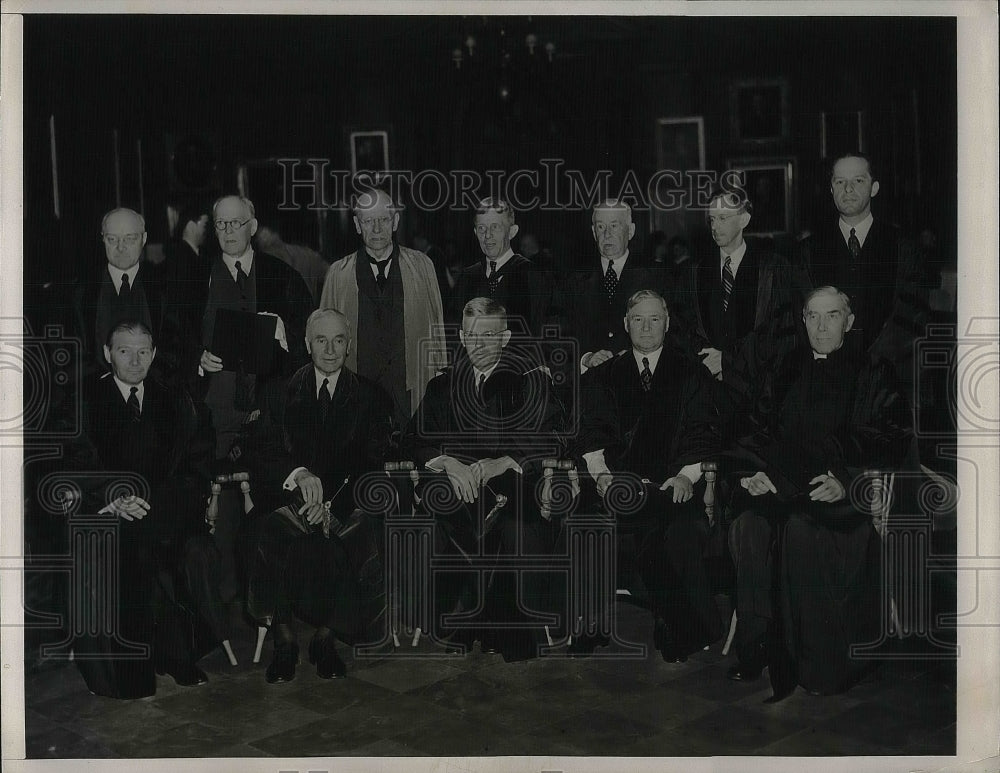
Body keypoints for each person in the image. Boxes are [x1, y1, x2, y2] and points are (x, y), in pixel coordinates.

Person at [726, 286, 913, 696]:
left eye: (832, 316)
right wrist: (749, 474)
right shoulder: (786, 366)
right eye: (813, 316)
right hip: (780, 486)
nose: (822, 325)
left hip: (838, 501)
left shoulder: (872, 370)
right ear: (804, 321)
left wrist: (844, 479)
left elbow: (889, 439)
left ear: (849, 322)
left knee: (799, 528)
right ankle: (757, 646)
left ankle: (809, 660)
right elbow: (754, 430)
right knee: (747, 527)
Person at [67, 321, 227, 698]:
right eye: (124, 350)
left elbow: (198, 466)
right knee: (134, 552)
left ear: (154, 354)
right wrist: (113, 496)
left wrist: (153, 504)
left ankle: (174, 654)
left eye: (143, 351)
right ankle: (148, 664)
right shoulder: (84, 400)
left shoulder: (177, 399)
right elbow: (71, 463)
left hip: (169, 512)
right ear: (108, 354)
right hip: (108, 515)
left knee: (175, 550)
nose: (135, 360)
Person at [402, 297, 567, 661]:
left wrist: (504, 461)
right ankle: (473, 617)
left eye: (489, 336)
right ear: (461, 336)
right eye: (472, 336)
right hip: (457, 491)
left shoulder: (529, 381)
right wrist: (446, 462)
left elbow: (555, 437)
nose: (479, 345)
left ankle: (477, 620)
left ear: (505, 338)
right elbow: (413, 439)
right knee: (444, 501)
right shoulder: (443, 386)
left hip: (513, 491)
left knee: (506, 522)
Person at [241, 309, 393, 683]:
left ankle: (326, 639)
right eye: (321, 341)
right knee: (259, 531)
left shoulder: (372, 397)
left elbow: (372, 464)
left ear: (349, 345)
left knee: (365, 530)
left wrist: (331, 507)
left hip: (341, 502)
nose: (329, 349)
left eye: (338, 340)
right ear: (307, 345)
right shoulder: (278, 391)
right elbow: (259, 453)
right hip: (286, 499)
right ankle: (284, 640)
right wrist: (298, 476)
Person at [577, 290, 724, 661]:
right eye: (638, 319)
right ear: (626, 325)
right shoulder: (603, 376)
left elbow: (704, 431)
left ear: (668, 323)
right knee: (587, 520)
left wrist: (688, 477)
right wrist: (601, 475)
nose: (646, 327)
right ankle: (593, 622)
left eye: (654, 319)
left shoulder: (691, 372)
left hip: (670, 487)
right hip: (617, 486)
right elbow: (592, 433)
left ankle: (671, 621)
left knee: (672, 528)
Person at [194, 194, 314, 460]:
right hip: (214, 418)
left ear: (253, 226)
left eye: (236, 222)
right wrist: (197, 359)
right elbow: (174, 340)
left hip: (270, 417)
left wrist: (282, 332)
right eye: (221, 224)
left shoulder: (282, 276)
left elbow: (312, 340)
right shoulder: (196, 279)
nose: (228, 231)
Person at [799, 153, 928, 397]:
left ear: (874, 188)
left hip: (890, 381)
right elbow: (805, 318)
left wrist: (873, 366)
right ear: (831, 189)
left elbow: (912, 315)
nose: (847, 189)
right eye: (839, 182)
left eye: (858, 181)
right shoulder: (809, 251)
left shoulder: (903, 248)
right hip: (826, 382)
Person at [320, 186, 446, 430]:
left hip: (412, 396)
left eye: (383, 219)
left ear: (395, 221)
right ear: (357, 225)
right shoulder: (338, 274)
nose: (376, 228)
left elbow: (438, 332)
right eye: (368, 221)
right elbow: (322, 342)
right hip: (357, 399)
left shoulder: (422, 267)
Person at [673, 187, 800, 427]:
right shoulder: (694, 271)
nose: (714, 227)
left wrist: (729, 361)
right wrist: (707, 360)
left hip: (760, 395)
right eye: (712, 219)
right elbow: (682, 327)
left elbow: (783, 334)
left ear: (744, 219)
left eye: (722, 218)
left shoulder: (772, 270)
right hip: (707, 392)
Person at [71, 207, 187, 386]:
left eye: (130, 239)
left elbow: (177, 347)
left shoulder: (167, 289)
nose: (120, 247)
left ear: (144, 239)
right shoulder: (80, 293)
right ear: (103, 239)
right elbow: (71, 353)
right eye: (112, 239)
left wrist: (148, 384)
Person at [561, 200, 667, 375]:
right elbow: (561, 332)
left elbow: (673, 330)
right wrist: (586, 358)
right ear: (594, 233)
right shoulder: (572, 279)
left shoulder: (657, 276)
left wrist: (637, 355)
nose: (607, 234)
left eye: (614, 226)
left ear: (630, 231)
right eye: (600, 227)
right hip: (590, 382)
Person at [447, 198, 553, 337]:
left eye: (495, 226)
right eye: (481, 228)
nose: (487, 235)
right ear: (475, 232)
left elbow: (547, 333)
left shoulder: (534, 276)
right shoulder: (467, 278)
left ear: (512, 231)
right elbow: (453, 332)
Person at [254, 222, 330, 305]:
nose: (257, 239)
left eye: (258, 233)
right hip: (308, 312)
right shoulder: (308, 254)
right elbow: (330, 273)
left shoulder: (264, 262)